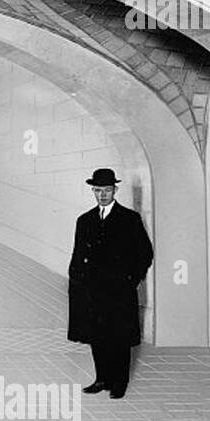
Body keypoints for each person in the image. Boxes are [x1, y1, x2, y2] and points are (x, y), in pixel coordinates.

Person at [67, 168, 153, 399]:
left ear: (114, 190)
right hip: (93, 291)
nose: (102, 194)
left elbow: (145, 253)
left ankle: (119, 383)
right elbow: (77, 255)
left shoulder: (129, 219)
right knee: (97, 336)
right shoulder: (84, 220)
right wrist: (77, 280)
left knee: (120, 337)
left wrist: (130, 280)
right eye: (98, 190)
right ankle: (101, 379)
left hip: (119, 291)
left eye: (107, 190)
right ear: (93, 191)